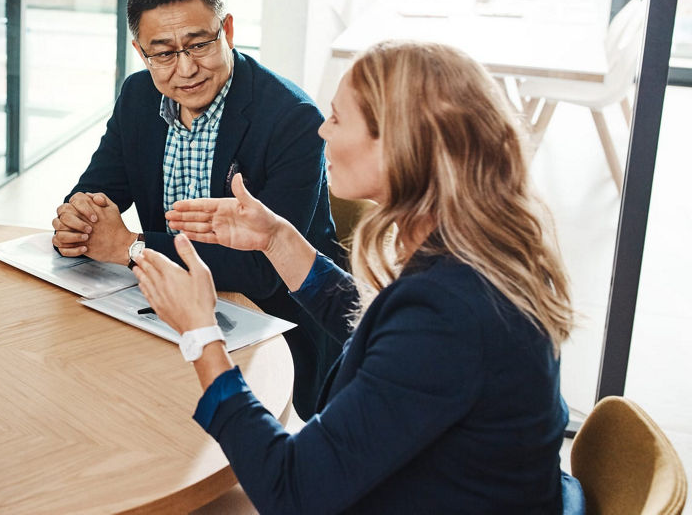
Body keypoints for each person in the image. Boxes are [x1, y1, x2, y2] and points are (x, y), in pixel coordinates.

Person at [133, 41, 579, 513]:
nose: (322, 129)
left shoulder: (450, 313)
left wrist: (201, 336)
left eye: (338, 118)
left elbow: (292, 492)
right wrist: (277, 240)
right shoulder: (475, 251)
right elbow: (388, 338)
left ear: (399, 144)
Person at [54, 0, 341, 419]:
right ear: (140, 51)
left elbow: (265, 270)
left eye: (200, 45)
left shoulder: (293, 119)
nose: (185, 69)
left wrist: (132, 248)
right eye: (163, 53)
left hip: (271, 328)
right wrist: (78, 220)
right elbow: (98, 190)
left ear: (226, 30)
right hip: (162, 315)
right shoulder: (139, 96)